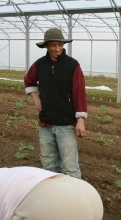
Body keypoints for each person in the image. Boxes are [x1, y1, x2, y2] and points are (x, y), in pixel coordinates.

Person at [24, 28, 87, 179]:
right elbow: (29, 80)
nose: (57, 49)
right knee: (48, 165)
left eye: (60, 45)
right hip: (45, 124)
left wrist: (80, 120)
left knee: (70, 167)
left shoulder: (72, 65)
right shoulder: (39, 65)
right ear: (46, 46)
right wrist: (36, 98)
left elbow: (79, 93)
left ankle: (73, 197)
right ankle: (54, 197)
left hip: (66, 124)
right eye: (53, 45)